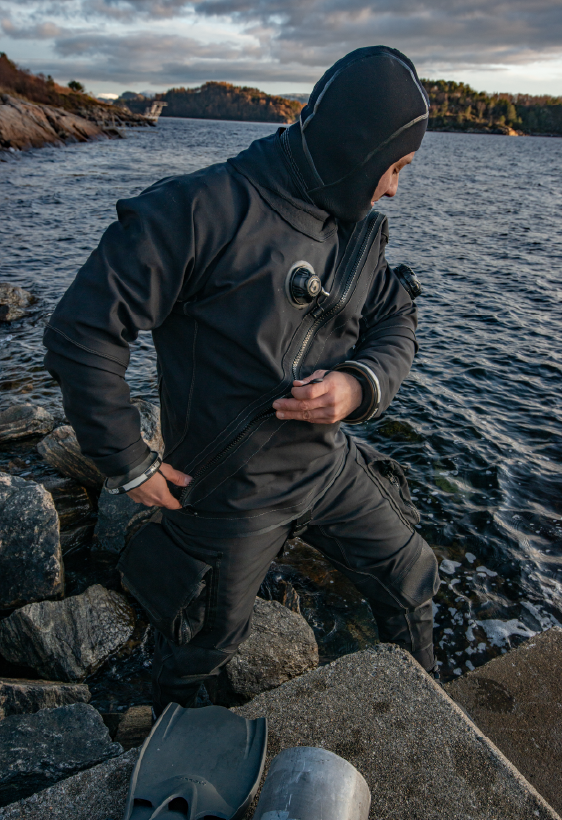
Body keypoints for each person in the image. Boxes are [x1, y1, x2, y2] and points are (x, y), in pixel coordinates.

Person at [44, 45, 440, 716]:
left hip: (328, 468)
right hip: (232, 492)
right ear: (356, 149)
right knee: (204, 645)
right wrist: (129, 461)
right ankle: (168, 732)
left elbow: (395, 318)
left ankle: (427, 712)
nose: (394, 189)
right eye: (394, 167)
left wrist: (359, 384)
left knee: (410, 574)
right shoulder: (198, 210)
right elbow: (82, 330)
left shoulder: (353, 234)